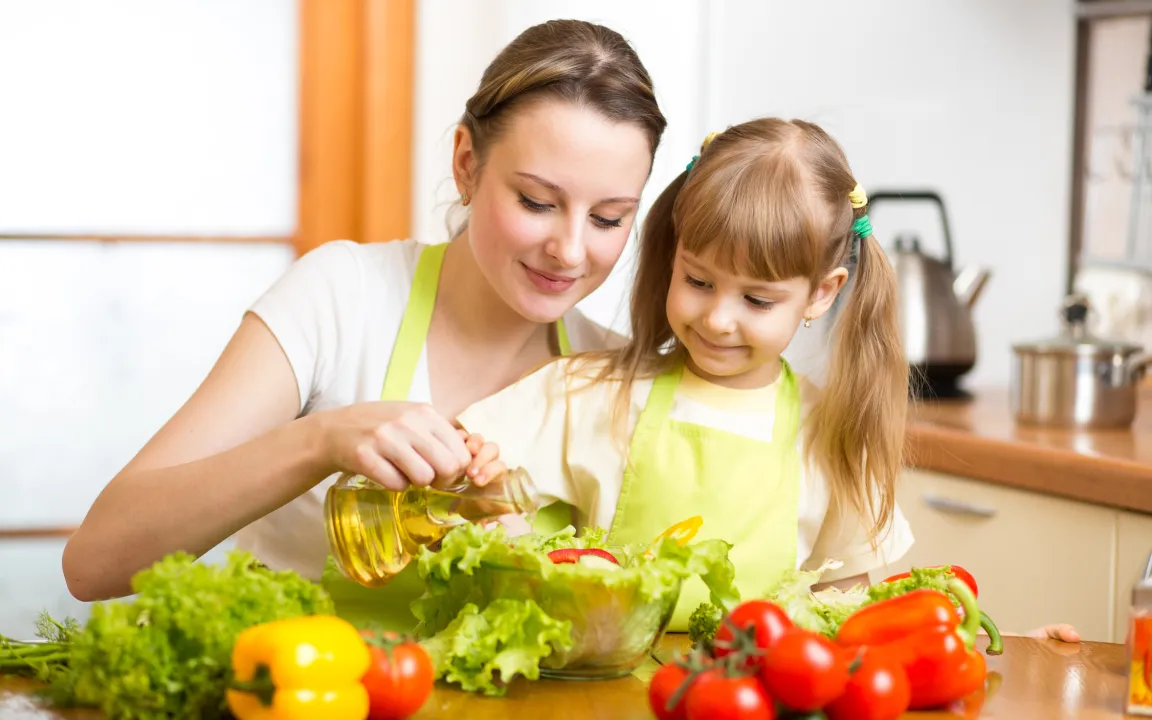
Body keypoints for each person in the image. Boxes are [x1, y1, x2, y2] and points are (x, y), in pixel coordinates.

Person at [61, 18, 667, 611]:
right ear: (466, 163)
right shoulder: (343, 297)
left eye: (609, 218)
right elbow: (94, 564)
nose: (569, 249)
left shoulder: (613, 377)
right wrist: (320, 441)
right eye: (537, 201)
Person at [455, 118, 1082, 642]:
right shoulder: (592, 392)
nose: (718, 318)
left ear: (820, 295)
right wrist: (484, 498)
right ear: (674, 253)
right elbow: (468, 475)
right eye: (698, 281)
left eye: (757, 301)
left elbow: (847, 613)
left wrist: (992, 639)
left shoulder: (829, 434)